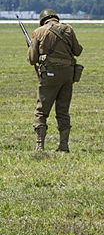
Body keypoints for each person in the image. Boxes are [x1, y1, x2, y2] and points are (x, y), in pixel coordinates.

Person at [27, 9, 83, 152]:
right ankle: (63, 146)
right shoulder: (68, 28)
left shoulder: (38, 31)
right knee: (63, 110)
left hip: (50, 74)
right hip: (68, 74)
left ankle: (40, 146)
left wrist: (31, 48)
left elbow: (32, 59)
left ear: (43, 20)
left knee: (41, 111)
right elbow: (78, 51)